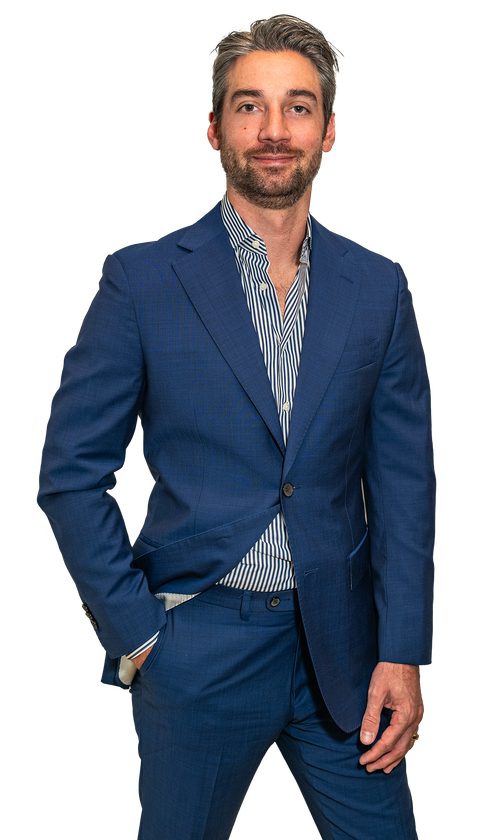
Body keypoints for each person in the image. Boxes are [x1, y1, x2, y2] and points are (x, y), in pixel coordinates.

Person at [37, 13, 435, 840]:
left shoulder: (379, 288)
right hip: (198, 646)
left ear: (330, 130)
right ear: (214, 126)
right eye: (250, 106)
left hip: (347, 656)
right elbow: (72, 473)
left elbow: (402, 486)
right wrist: (142, 635)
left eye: (298, 107)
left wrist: (403, 650)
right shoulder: (142, 280)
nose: (274, 130)